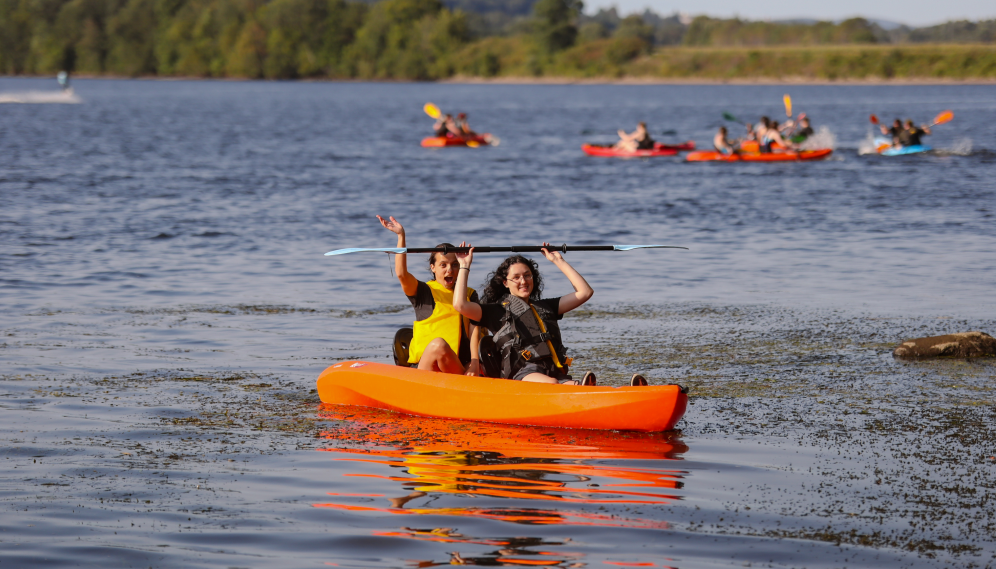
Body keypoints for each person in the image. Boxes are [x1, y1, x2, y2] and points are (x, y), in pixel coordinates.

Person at [452, 244, 596, 385]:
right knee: (552, 383)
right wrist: (464, 266)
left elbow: (585, 292)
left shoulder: (546, 307)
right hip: (522, 373)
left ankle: (581, 391)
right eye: (516, 277)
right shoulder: (495, 312)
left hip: (554, 370)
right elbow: (460, 305)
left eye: (527, 275)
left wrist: (558, 260)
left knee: (570, 384)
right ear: (505, 283)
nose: (523, 281)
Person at [376, 215, 482, 376]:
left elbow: (475, 331)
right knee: (438, 345)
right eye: (443, 265)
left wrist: (475, 363)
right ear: (433, 268)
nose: (450, 270)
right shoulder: (423, 291)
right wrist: (401, 236)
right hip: (425, 368)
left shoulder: (470, 295)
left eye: (455, 265)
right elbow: (402, 274)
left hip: (457, 368)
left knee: (481, 366)